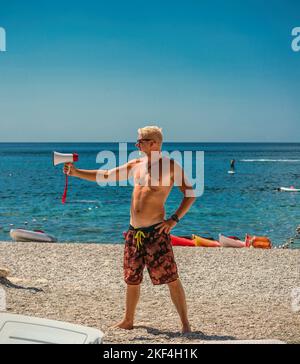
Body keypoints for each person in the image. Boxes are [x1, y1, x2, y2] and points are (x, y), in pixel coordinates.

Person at [63, 126, 196, 333]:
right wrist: (76, 172)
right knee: (132, 279)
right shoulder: (136, 164)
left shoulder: (170, 166)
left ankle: (185, 324)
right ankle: (128, 320)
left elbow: (190, 193)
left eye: (141, 141)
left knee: (171, 278)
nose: (137, 144)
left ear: (154, 143)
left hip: (156, 233)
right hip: (134, 233)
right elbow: (106, 175)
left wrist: (173, 220)